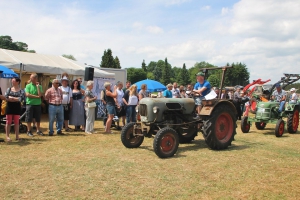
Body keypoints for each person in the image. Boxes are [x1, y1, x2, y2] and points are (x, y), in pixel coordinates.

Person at [4, 77, 25, 141]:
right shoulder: (9, 89)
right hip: (9, 107)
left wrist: (12, 98)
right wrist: (15, 99)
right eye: (12, 81)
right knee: (8, 122)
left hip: (17, 107)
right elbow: (6, 97)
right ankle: (7, 136)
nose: (12, 82)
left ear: (18, 82)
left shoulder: (21, 90)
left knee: (16, 122)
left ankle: (17, 136)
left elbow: (20, 99)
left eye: (13, 81)